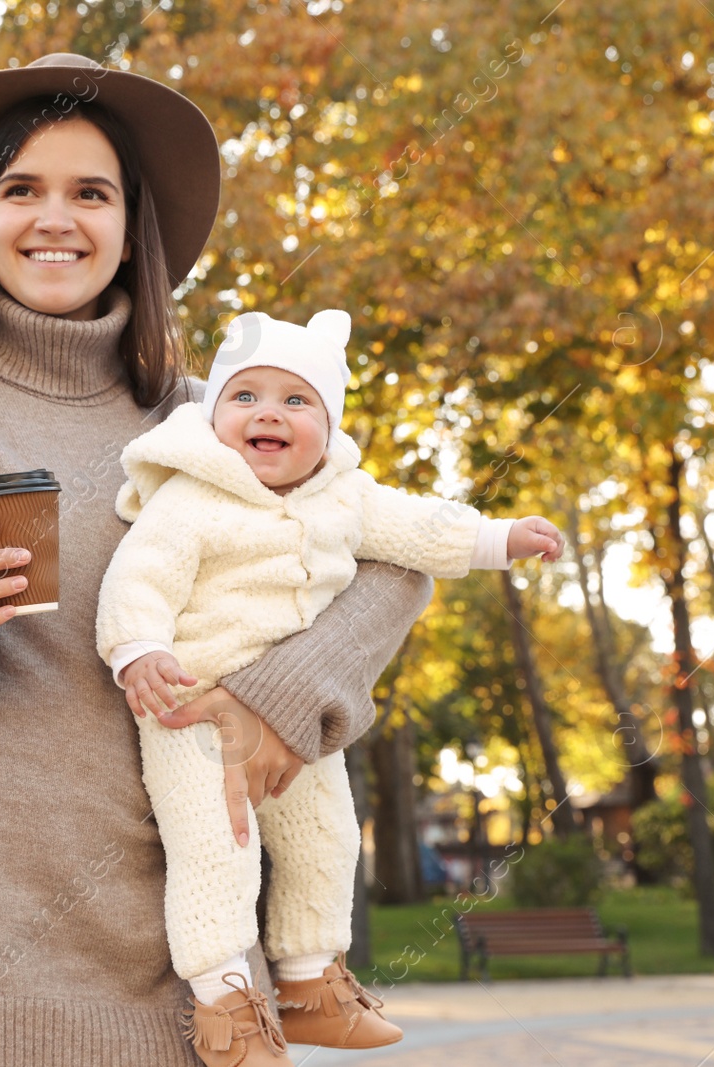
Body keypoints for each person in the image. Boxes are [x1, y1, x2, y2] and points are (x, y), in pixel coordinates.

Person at [0, 53, 436, 1066]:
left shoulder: (213, 419)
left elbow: (393, 555)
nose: (53, 217)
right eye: (19, 188)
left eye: (90, 192)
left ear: (130, 227)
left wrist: (285, 695)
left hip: (190, 964)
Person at [97, 310, 562, 1054]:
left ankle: (311, 980)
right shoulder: (190, 498)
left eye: (295, 400)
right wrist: (139, 649)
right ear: (213, 415)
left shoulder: (346, 497)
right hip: (189, 709)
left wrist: (498, 537)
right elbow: (138, 577)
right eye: (244, 397)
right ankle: (224, 1007)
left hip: (295, 716)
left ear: (329, 422)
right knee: (218, 848)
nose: (268, 413)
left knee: (329, 837)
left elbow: (418, 529)